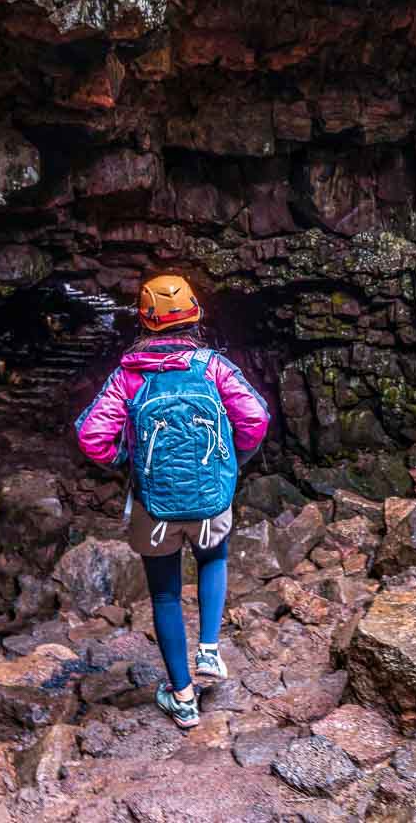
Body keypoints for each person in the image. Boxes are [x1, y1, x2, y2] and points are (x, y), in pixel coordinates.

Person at [73, 274, 270, 728]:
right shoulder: (214, 368)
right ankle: (209, 650)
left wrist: (128, 459)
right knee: (212, 558)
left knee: (164, 594)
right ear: (195, 316)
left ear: (144, 321)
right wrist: (232, 461)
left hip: (153, 506)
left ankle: (182, 699)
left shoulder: (128, 376)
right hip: (209, 496)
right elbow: (255, 419)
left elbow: (91, 436)